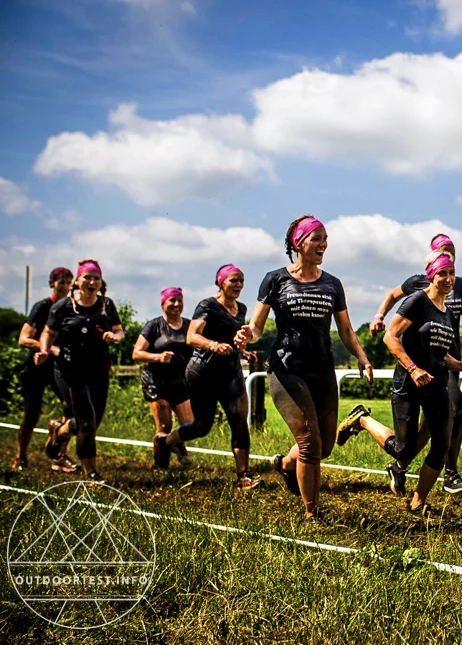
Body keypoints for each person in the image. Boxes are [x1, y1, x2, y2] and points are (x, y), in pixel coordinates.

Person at [235, 215, 374, 524]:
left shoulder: (332, 284)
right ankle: (312, 515)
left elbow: (347, 331)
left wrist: (363, 358)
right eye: (316, 238)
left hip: (323, 369)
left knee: (324, 446)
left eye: (325, 239)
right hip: (287, 370)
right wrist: (246, 335)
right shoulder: (275, 280)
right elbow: (257, 327)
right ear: (298, 243)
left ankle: (285, 465)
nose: (323, 244)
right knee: (310, 445)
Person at [346, 250, 462, 513]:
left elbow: (441, 354)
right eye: (442, 273)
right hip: (409, 385)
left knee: (441, 443)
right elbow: (391, 337)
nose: (448, 279)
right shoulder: (417, 301)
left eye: (452, 273)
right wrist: (412, 368)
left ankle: (418, 501)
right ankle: (362, 420)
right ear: (431, 276)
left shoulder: (446, 310)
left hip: (437, 384)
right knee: (404, 449)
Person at [153, 265, 260, 489]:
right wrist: (213, 345)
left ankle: (243, 476)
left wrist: (243, 351)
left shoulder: (241, 308)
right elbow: (192, 337)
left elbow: (232, 338)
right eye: (233, 280)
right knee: (202, 427)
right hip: (202, 373)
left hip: (231, 372)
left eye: (241, 281)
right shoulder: (207, 305)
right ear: (221, 283)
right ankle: (167, 442)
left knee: (239, 421)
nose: (239, 285)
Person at [34, 260, 124, 481]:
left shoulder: (107, 305)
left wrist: (114, 337)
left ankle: (60, 431)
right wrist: (44, 349)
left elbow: (119, 331)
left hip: (99, 369)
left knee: (94, 421)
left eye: (96, 278)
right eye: (87, 277)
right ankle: (91, 472)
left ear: (101, 282)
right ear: (78, 281)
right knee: (87, 421)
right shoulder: (63, 306)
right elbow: (47, 332)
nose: (92, 282)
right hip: (69, 369)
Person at [14, 267, 77, 472]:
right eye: (61, 282)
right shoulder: (42, 307)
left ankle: (58, 455)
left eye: (69, 282)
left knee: (71, 409)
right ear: (52, 283)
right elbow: (23, 339)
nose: (65, 286)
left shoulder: (73, 307)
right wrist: (48, 348)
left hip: (61, 368)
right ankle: (20, 457)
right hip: (36, 367)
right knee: (31, 415)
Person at [133, 287, 193, 468]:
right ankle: (161, 465)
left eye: (179, 301)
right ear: (163, 304)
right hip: (156, 382)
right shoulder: (154, 326)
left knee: (190, 425)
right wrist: (157, 357)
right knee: (164, 427)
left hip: (180, 381)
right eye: (172, 301)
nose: (176, 304)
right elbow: (137, 353)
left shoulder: (189, 326)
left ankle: (176, 442)